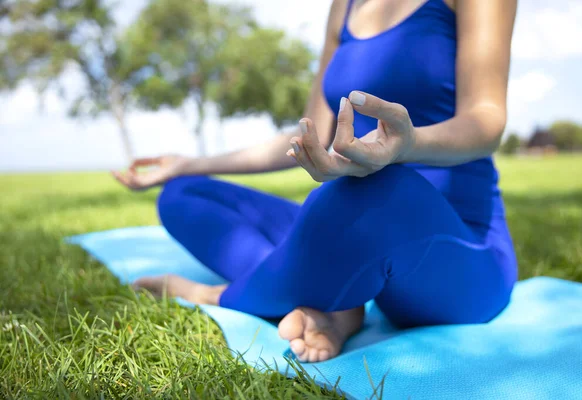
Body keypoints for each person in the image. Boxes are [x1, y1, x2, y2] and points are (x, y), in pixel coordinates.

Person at [113, 0, 519, 363]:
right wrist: (190, 164)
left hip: (462, 253)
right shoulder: (344, 5)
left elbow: (486, 120)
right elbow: (310, 133)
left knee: (373, 192)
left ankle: (214, 294)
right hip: (357, 208)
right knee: (185, 194)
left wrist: (408, 143)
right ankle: (341, 304)